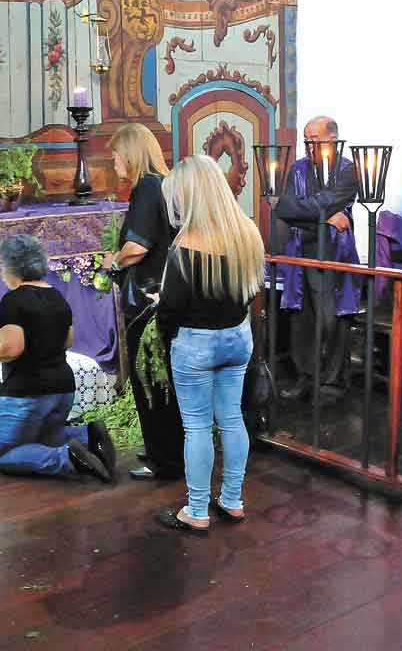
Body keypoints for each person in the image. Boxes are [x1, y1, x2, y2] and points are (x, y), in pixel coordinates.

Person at [151, 155, 264, 535]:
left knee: (197, 428)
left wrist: (166, 330)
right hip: (238, 337)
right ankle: (232, 500)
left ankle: (196, 509)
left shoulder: (185, 243)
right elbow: (250, 291)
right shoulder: (246, 231)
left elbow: (170, 309)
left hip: (195, 344)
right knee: (232, 419)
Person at [0, 234, 115, 482]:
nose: (0, 273)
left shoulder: (13, 300)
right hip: (63, 387)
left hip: (28, 391)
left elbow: (12, 349)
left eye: (0, 266)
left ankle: (68, 460)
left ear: (11, 266)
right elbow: (67, 340)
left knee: (2, 453)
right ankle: (87, 435)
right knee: (46, 437)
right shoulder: (56, 296)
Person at [105, 123, 184, 481]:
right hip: (159, 295)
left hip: (147, 300)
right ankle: (161, 449)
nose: (113, 161)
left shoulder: (148, 188)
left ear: (132, 154)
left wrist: (113, 261)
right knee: (158, 378)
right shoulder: (161, 185)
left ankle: (164, 460)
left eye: (116, 154)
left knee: (150, 379)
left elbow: (138, 247)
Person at [275, 115, 360, 400]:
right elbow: (283, 208)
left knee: (333, 317)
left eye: (315, 139)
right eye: (306, 139)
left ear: (333, 139)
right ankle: (305, 376)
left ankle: (333, 382)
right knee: (301, 317)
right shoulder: (298, 168)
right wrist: (323, 219)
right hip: (301, 248)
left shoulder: (347, 170)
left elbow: (326, 201)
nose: (309, 145)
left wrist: (304, 211)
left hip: (334, 252)